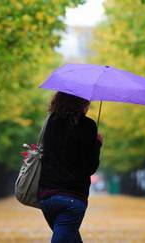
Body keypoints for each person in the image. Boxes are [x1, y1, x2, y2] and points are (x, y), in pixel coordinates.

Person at [38, 91, 103, 243]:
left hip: (47, 198)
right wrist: (97, 144)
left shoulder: (50, 122)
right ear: (82, 103)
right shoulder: (88, 126)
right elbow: (90, 167)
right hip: (72, 199)